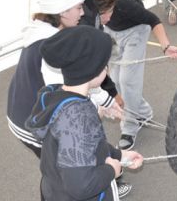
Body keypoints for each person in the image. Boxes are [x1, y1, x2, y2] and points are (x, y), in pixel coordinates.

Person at [7, 0, 123, 157]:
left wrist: (106, 101)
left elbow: (81, 77)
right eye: (78, 7)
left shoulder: (48, 32)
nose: (83, 13)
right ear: (62, 11)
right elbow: (70, 96)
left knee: (73, 158)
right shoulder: (50, 48)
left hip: (26, 109)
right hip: (29, 122)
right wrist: (96, 109)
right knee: (73, 157)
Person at [26, 26, 144, 200]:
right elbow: (81, 186)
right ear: (92, 70)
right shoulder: (78, 118)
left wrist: (119, 155)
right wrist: (112, 170)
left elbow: (90, 145)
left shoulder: (59, 96)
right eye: (105, 65)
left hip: (54, 190)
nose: (107, 69)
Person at [93, 0, 177, 150]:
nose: (105, 17)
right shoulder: (91, 7)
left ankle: (129, 128)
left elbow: (153, 20)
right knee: (114, 79)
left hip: (136, 30)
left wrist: (165, 46)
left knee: (128, 80)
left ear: (113, 5)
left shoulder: (124, 4)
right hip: (112, 32)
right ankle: (143, 112)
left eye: (107, 12)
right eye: (100, 15)